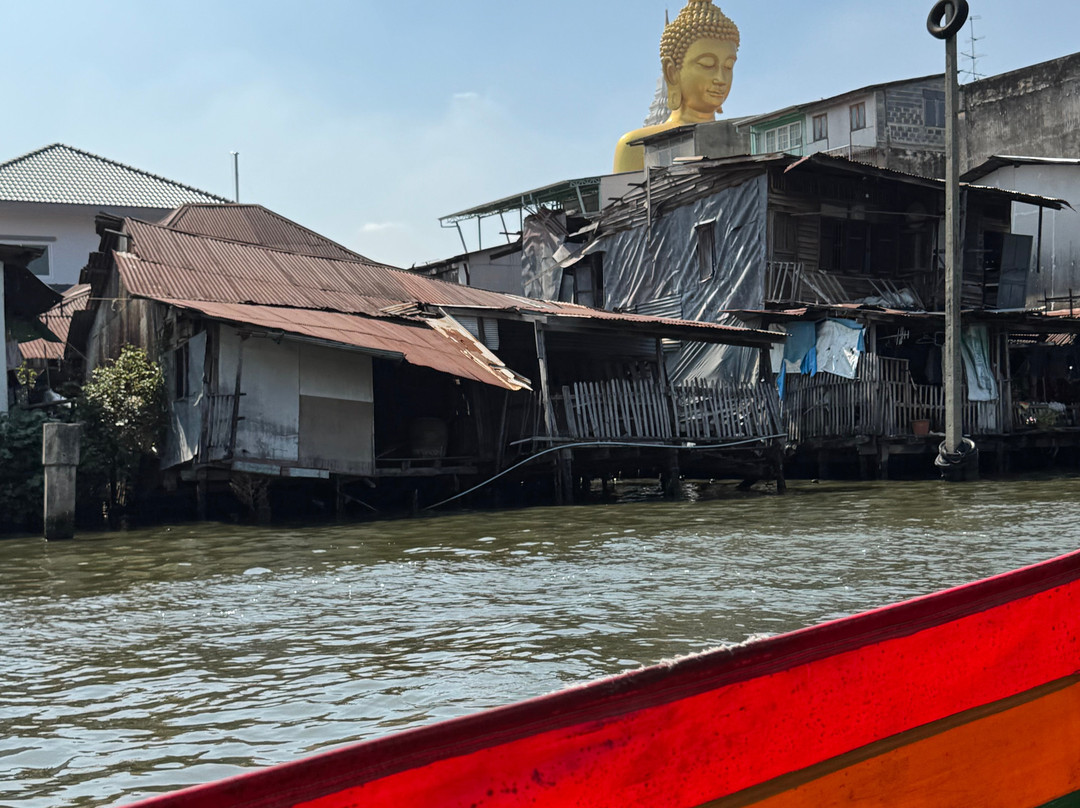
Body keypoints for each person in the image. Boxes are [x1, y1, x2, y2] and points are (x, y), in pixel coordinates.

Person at [613, 0, 740, 173]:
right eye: (707, 64)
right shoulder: (635, 146)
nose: (721, 78)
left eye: (728, 67)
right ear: (672, 72)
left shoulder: (745, 138)